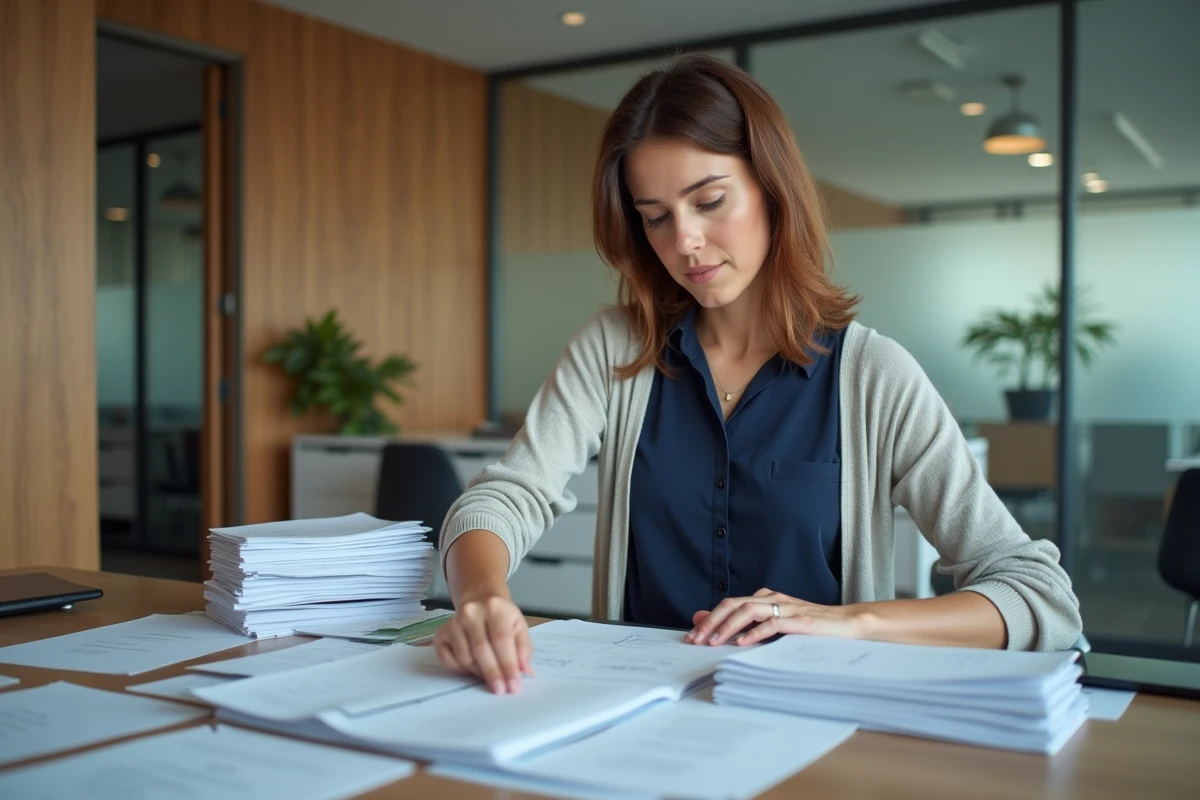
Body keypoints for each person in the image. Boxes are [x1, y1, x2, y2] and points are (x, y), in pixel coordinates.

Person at [432, 54, 1082, 695]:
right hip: (637, 709)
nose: (684, 241)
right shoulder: (614, 349)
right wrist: (483, 598)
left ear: (773, 189)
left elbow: (1039, 595)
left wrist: (852, 622)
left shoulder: (873, 376)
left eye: (710, 201)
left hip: (816, 717)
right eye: (655, 216)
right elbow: (503, 498)